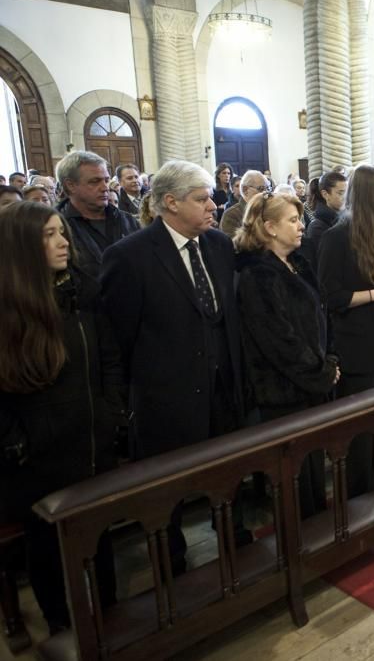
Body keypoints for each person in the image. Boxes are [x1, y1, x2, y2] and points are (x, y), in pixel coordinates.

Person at [100, 161, 246, 572]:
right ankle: (171, 558)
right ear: (170, 203)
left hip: (220, 385)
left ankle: (233, 535)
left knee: (226, 472)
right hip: (166, 394)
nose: (212, 206)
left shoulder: (218, 246)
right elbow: (119, 337)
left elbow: (224, 316)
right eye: (201, 199)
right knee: (168, 490)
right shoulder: (129, 257)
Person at [0, 201, 122, 634]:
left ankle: (108, 619)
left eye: (61, 232)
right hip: (38, 456)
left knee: (97, 533)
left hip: (90, 438)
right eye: (49, 235)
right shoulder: (8, 308)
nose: (63, 242)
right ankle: (62, 629)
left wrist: (110, 412)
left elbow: (108, 359)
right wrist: (18, 444)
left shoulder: (81, 292)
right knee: (48, 546)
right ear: (21, 248)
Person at [234, 191, 338, 518]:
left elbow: (320, 318)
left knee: (312, 469)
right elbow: (279, 339)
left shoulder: (295, 264)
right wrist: (319, 372)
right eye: (293, 221)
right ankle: (301, 545)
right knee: (294, 478)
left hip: (308, 383)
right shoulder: (257, 274)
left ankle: (318, 533)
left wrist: (328, 361)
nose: (301, 226)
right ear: (269, 227)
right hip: (283, 391)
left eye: (300, 219)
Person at [317, 164, 374, 498]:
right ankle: (363, 498)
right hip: (355, 345)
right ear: (372, 193)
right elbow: (331, 297)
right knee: (360, 430)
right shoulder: (335, 237)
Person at [56, 151, 140, 280]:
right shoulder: (56, 227)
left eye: (106, 180)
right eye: (95, 181)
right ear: (70, 185)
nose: (105, 187)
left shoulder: (128, 221)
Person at [301, 170, 346, 271]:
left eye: (347, 193)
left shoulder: (346, 218)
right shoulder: (317, 227)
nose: (345, 198)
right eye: (341, 193)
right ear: (325, 194)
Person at [220, 170, 268, 237]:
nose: (265, 193)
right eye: (261, 189)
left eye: (267, 189)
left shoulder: (268, 209)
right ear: (245, 190)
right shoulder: (231, 215)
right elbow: (233, 244)